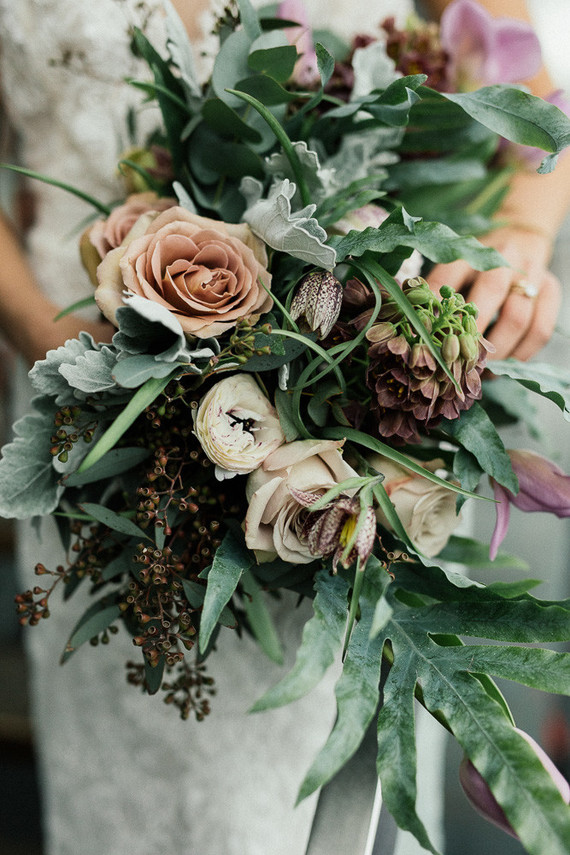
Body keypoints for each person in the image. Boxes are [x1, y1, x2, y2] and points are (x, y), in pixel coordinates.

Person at [0, 1, 567, 854]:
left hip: (365, 414)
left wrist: (516, 248)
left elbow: (531, 109)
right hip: (91, 414)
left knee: (336, 803)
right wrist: (104, 388)